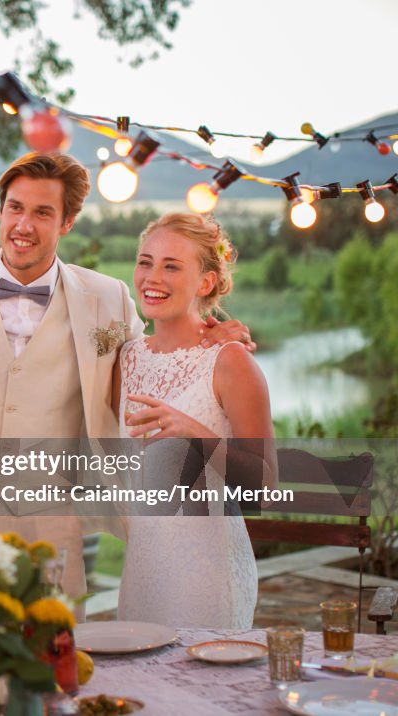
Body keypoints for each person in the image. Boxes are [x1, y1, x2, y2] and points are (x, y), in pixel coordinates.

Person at [0, 152, 252, 606]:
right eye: (15, 208)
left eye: (43, 212)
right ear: (1, 211)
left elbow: (151, 361)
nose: (24, 225)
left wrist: (210, 333)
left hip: (53, 510)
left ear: (67, 222)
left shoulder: (108, 297)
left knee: (52, 655)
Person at [113, 213, 275, 628]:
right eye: (145, 261)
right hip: (142, 569)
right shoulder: (125, 358)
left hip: (206, 575)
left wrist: (194, 434)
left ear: (204, 282)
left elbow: (264, 484)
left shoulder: (231, 361)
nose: (153, 277)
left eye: (171, 265)